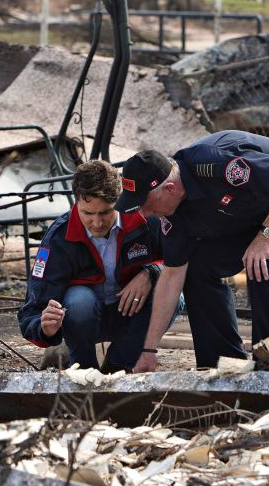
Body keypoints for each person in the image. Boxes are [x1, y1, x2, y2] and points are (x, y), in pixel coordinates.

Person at [113, 130, 269, 372]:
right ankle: (223, 365)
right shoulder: (173, 214)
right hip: (255, 207)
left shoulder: (215, 163)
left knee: (263, 267)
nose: (144, 214)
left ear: (169, 189)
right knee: (197, 267)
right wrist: (149, 350)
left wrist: (265, 237)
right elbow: (171, 277)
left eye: (145, 204)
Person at [18, 159, 179, 371]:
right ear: (75, 204)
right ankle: (83, 371)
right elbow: (32, 312)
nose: (97, 223)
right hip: (83, 321)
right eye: (87, 213)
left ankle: (118, 365)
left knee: (173, 292)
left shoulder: (146, 219)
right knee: (79, 300)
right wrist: (45, 328)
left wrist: (152, 272)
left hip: (134, 317)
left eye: (105, 213)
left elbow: (179, 262)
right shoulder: (58, 237)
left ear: (120, 202)